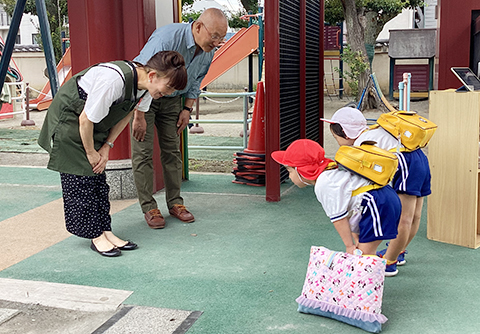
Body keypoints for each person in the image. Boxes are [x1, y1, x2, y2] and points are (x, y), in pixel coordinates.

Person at [38, 51, 188, 257]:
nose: (169, 93)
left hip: (91, 126)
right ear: (153, 76)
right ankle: (95, 236)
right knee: (82, 180)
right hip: (70, 121)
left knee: (99, 181)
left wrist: (107, 146)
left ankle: (105, 230)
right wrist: (91, 152)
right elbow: (85, 120)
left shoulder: (145, 89)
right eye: (169, 87)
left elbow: (126, 114)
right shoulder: (113, 81)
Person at [130, 8, 228, 229]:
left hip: (174, 100)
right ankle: (149, 207)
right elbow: (143, 73)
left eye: (221, 38)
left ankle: (175, 203)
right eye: (215, 36)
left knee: (172, 152)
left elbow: (196, 79)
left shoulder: (208, 50)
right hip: (146, 98)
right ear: (198, 27)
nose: (217, 42)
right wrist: (138, 114)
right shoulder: (167, 37)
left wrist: (187, 108)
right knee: (143, 153)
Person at [321, 107, 432, 276]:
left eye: (336, 138)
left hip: (404, 164)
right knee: (415, 215)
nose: (338, 142)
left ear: (346, 133)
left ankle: (389, 261)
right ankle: (398, 252)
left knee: (404, 219)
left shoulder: (360, 145)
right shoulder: (375, 131)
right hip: (418, 158)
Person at [271, 139, 401, 257]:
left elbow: (339, 218)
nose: (289, 176)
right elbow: (350, 213)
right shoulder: (330, 173)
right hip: (381, 199)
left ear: (301, 170)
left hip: (378, 203)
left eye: (290, 170)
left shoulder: (323, 184)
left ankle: (369, 281)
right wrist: (356, 239)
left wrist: (349, 246)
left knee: (364, 254)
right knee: (362, 252)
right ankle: (365, 280)